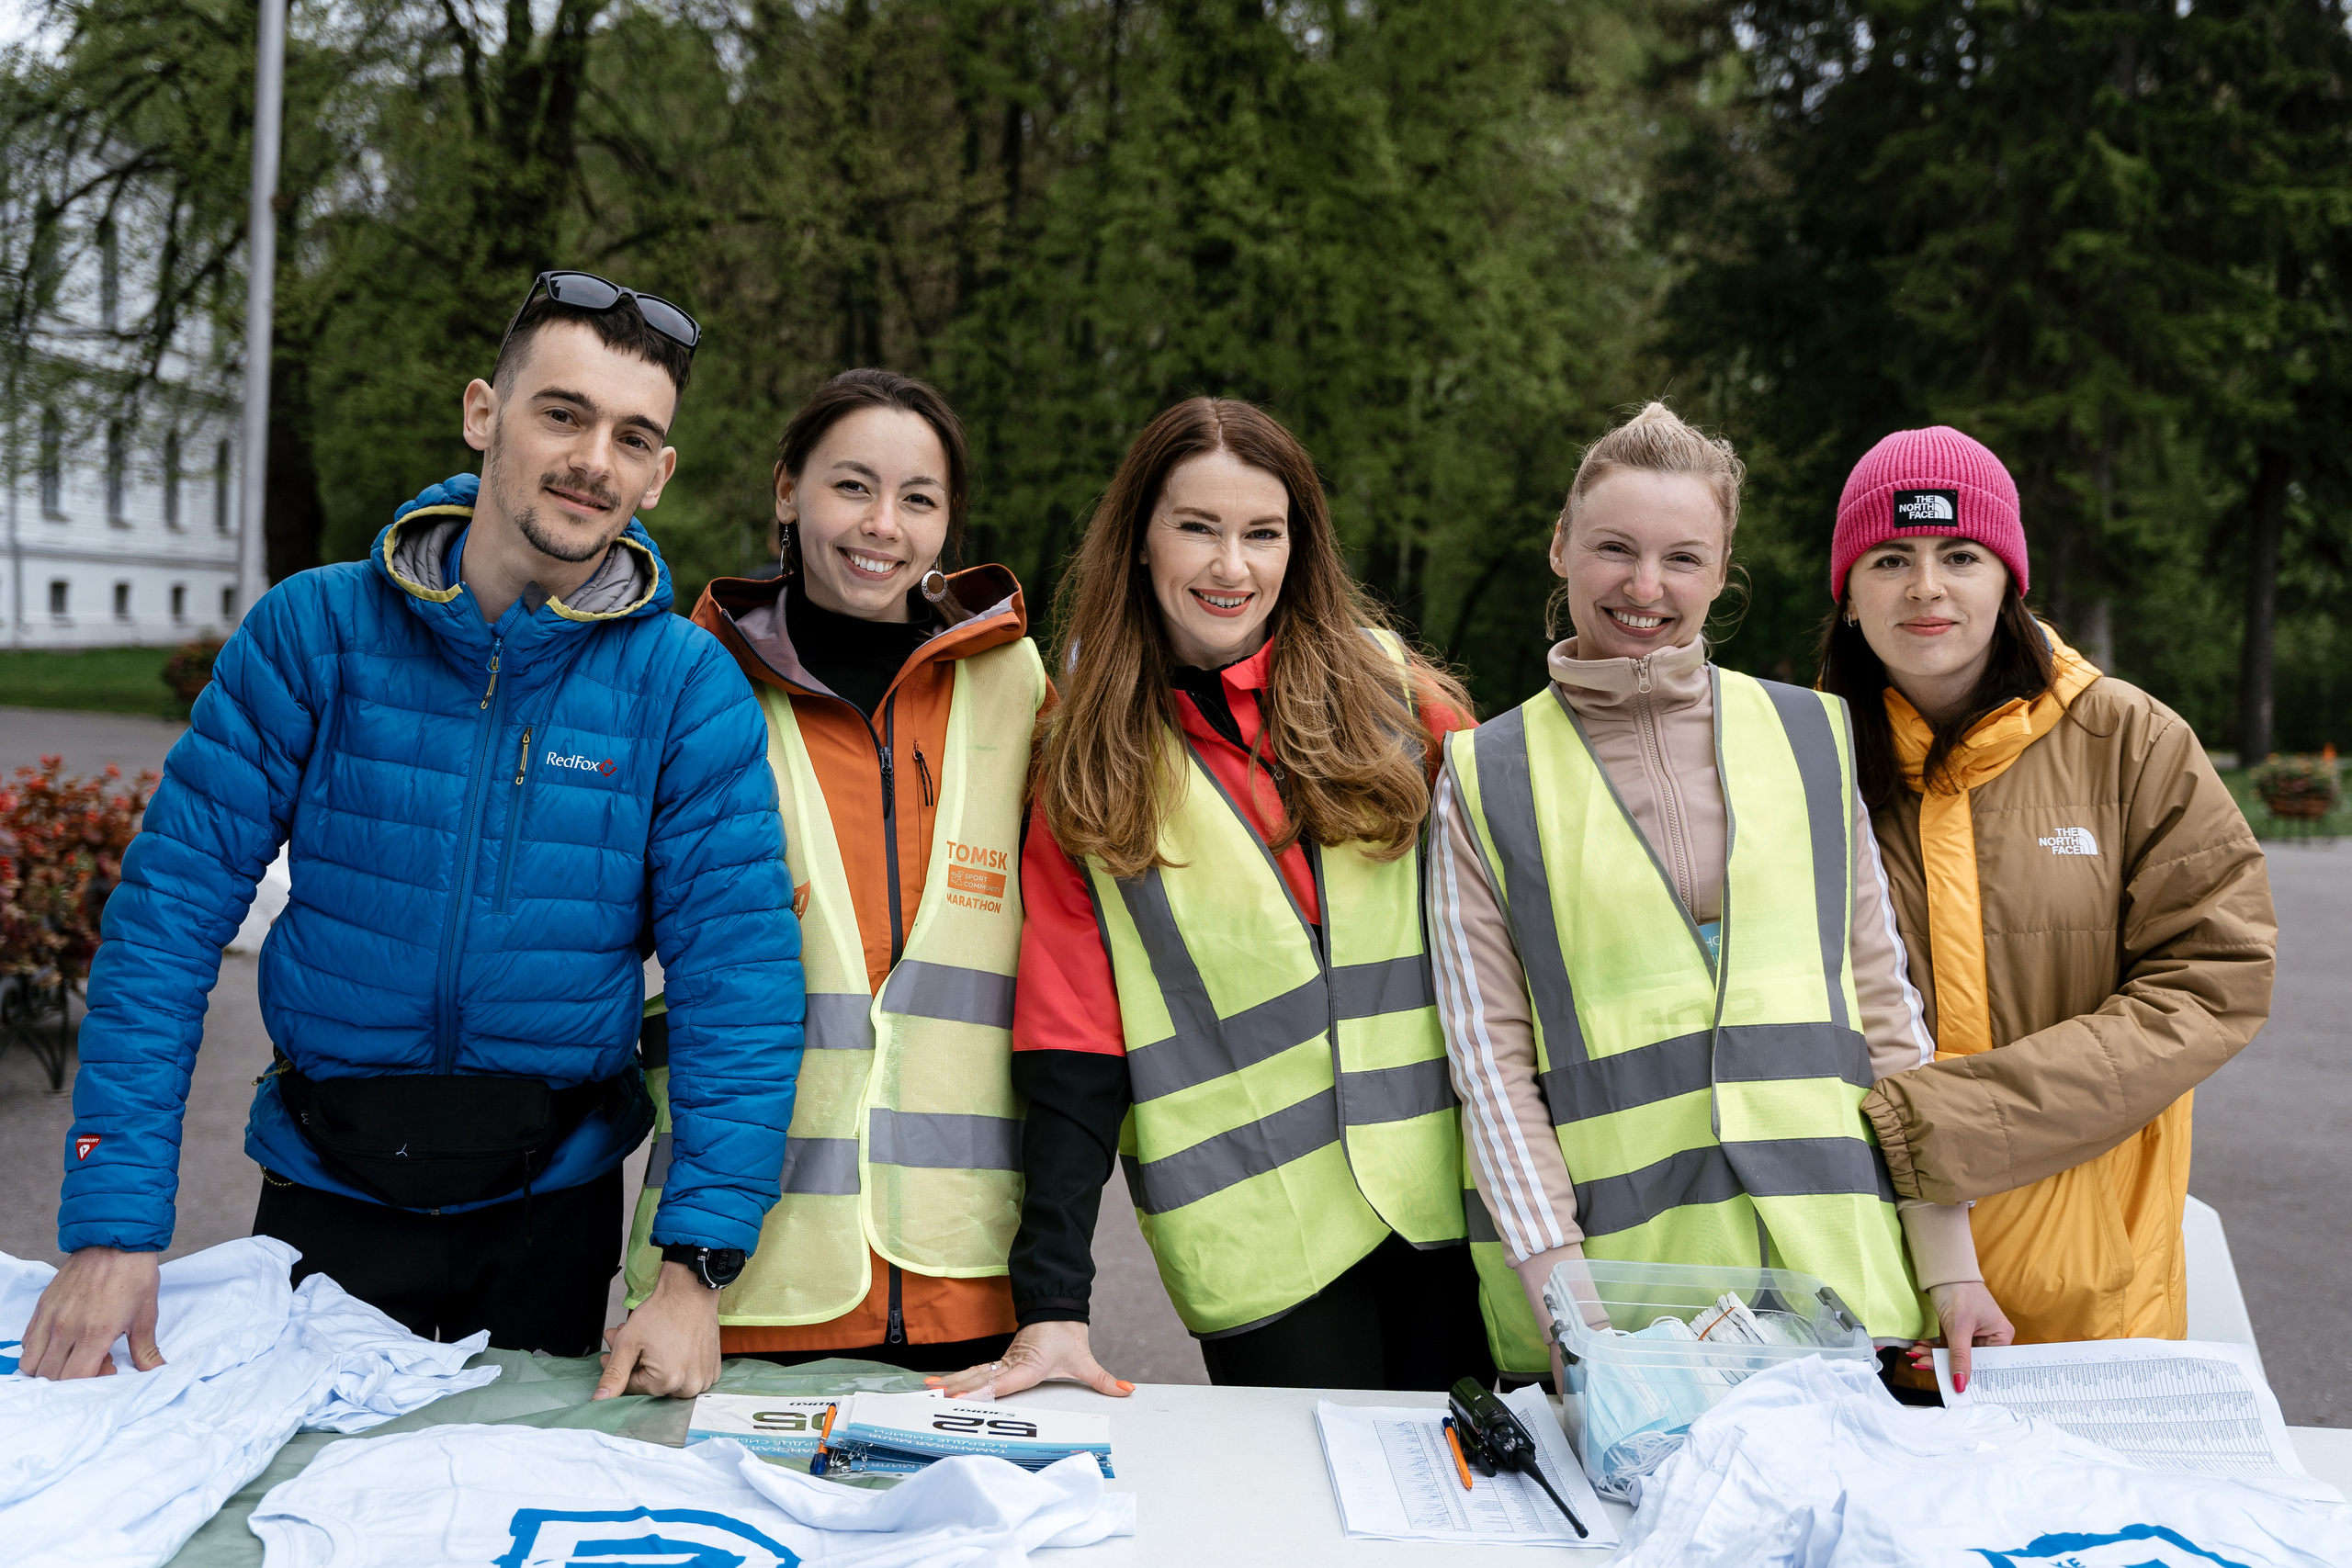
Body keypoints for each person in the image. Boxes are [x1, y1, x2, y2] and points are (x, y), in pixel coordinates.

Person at [18, 271, 804, 1403]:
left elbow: (738, 984)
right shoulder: (314, 632)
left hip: (550, 1216)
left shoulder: (684, 687)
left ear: (658, 474)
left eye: (633, 438)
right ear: (484, 413)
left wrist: (694, 1272)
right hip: (324, 1193)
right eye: (563, 413)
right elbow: (166, 923)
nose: (594, 460)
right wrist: (113, 1229)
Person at [1431, 402, 1997, 1388]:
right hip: (1629, 1312)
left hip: (1848, 1284)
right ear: (1561, 547)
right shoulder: (1486, 775)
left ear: (1723, 572)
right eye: (1614, 548)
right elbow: (1491, 1071)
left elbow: (1887, 1015)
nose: (1645, 587)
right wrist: (1573, 1319)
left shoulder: (1811, 734)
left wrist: (1951, 1265)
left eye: (1683, 558)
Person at [936, 396, 1487, 1400]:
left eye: (1262, 534)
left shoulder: (1400, 699)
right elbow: (1072, 1051)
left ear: (1298, 548)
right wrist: (1052, 1304)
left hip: (1450, 1211)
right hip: (1264, 1251)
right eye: (1198, 528)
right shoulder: (1085, 763)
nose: (1232, 567)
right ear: (1141, 541)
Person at [618, 368, 1049, 1371]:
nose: (882, 525)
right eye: (852, 485)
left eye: (918, 498)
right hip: (743, 1286)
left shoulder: (1015, 681)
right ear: (787, 491)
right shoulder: (693, 681)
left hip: (968, 1279)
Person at [1818, 426, 2275, 1371]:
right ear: (1849, 595)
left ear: (2008, 581)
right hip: (1869, 1274)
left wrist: (1962, 1123)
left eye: (1960, 555)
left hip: (2089, 1283)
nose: (1926, 587)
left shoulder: (2131, 741)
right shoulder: (1798, 760)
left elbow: (2216, 978)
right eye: (1891, 559)